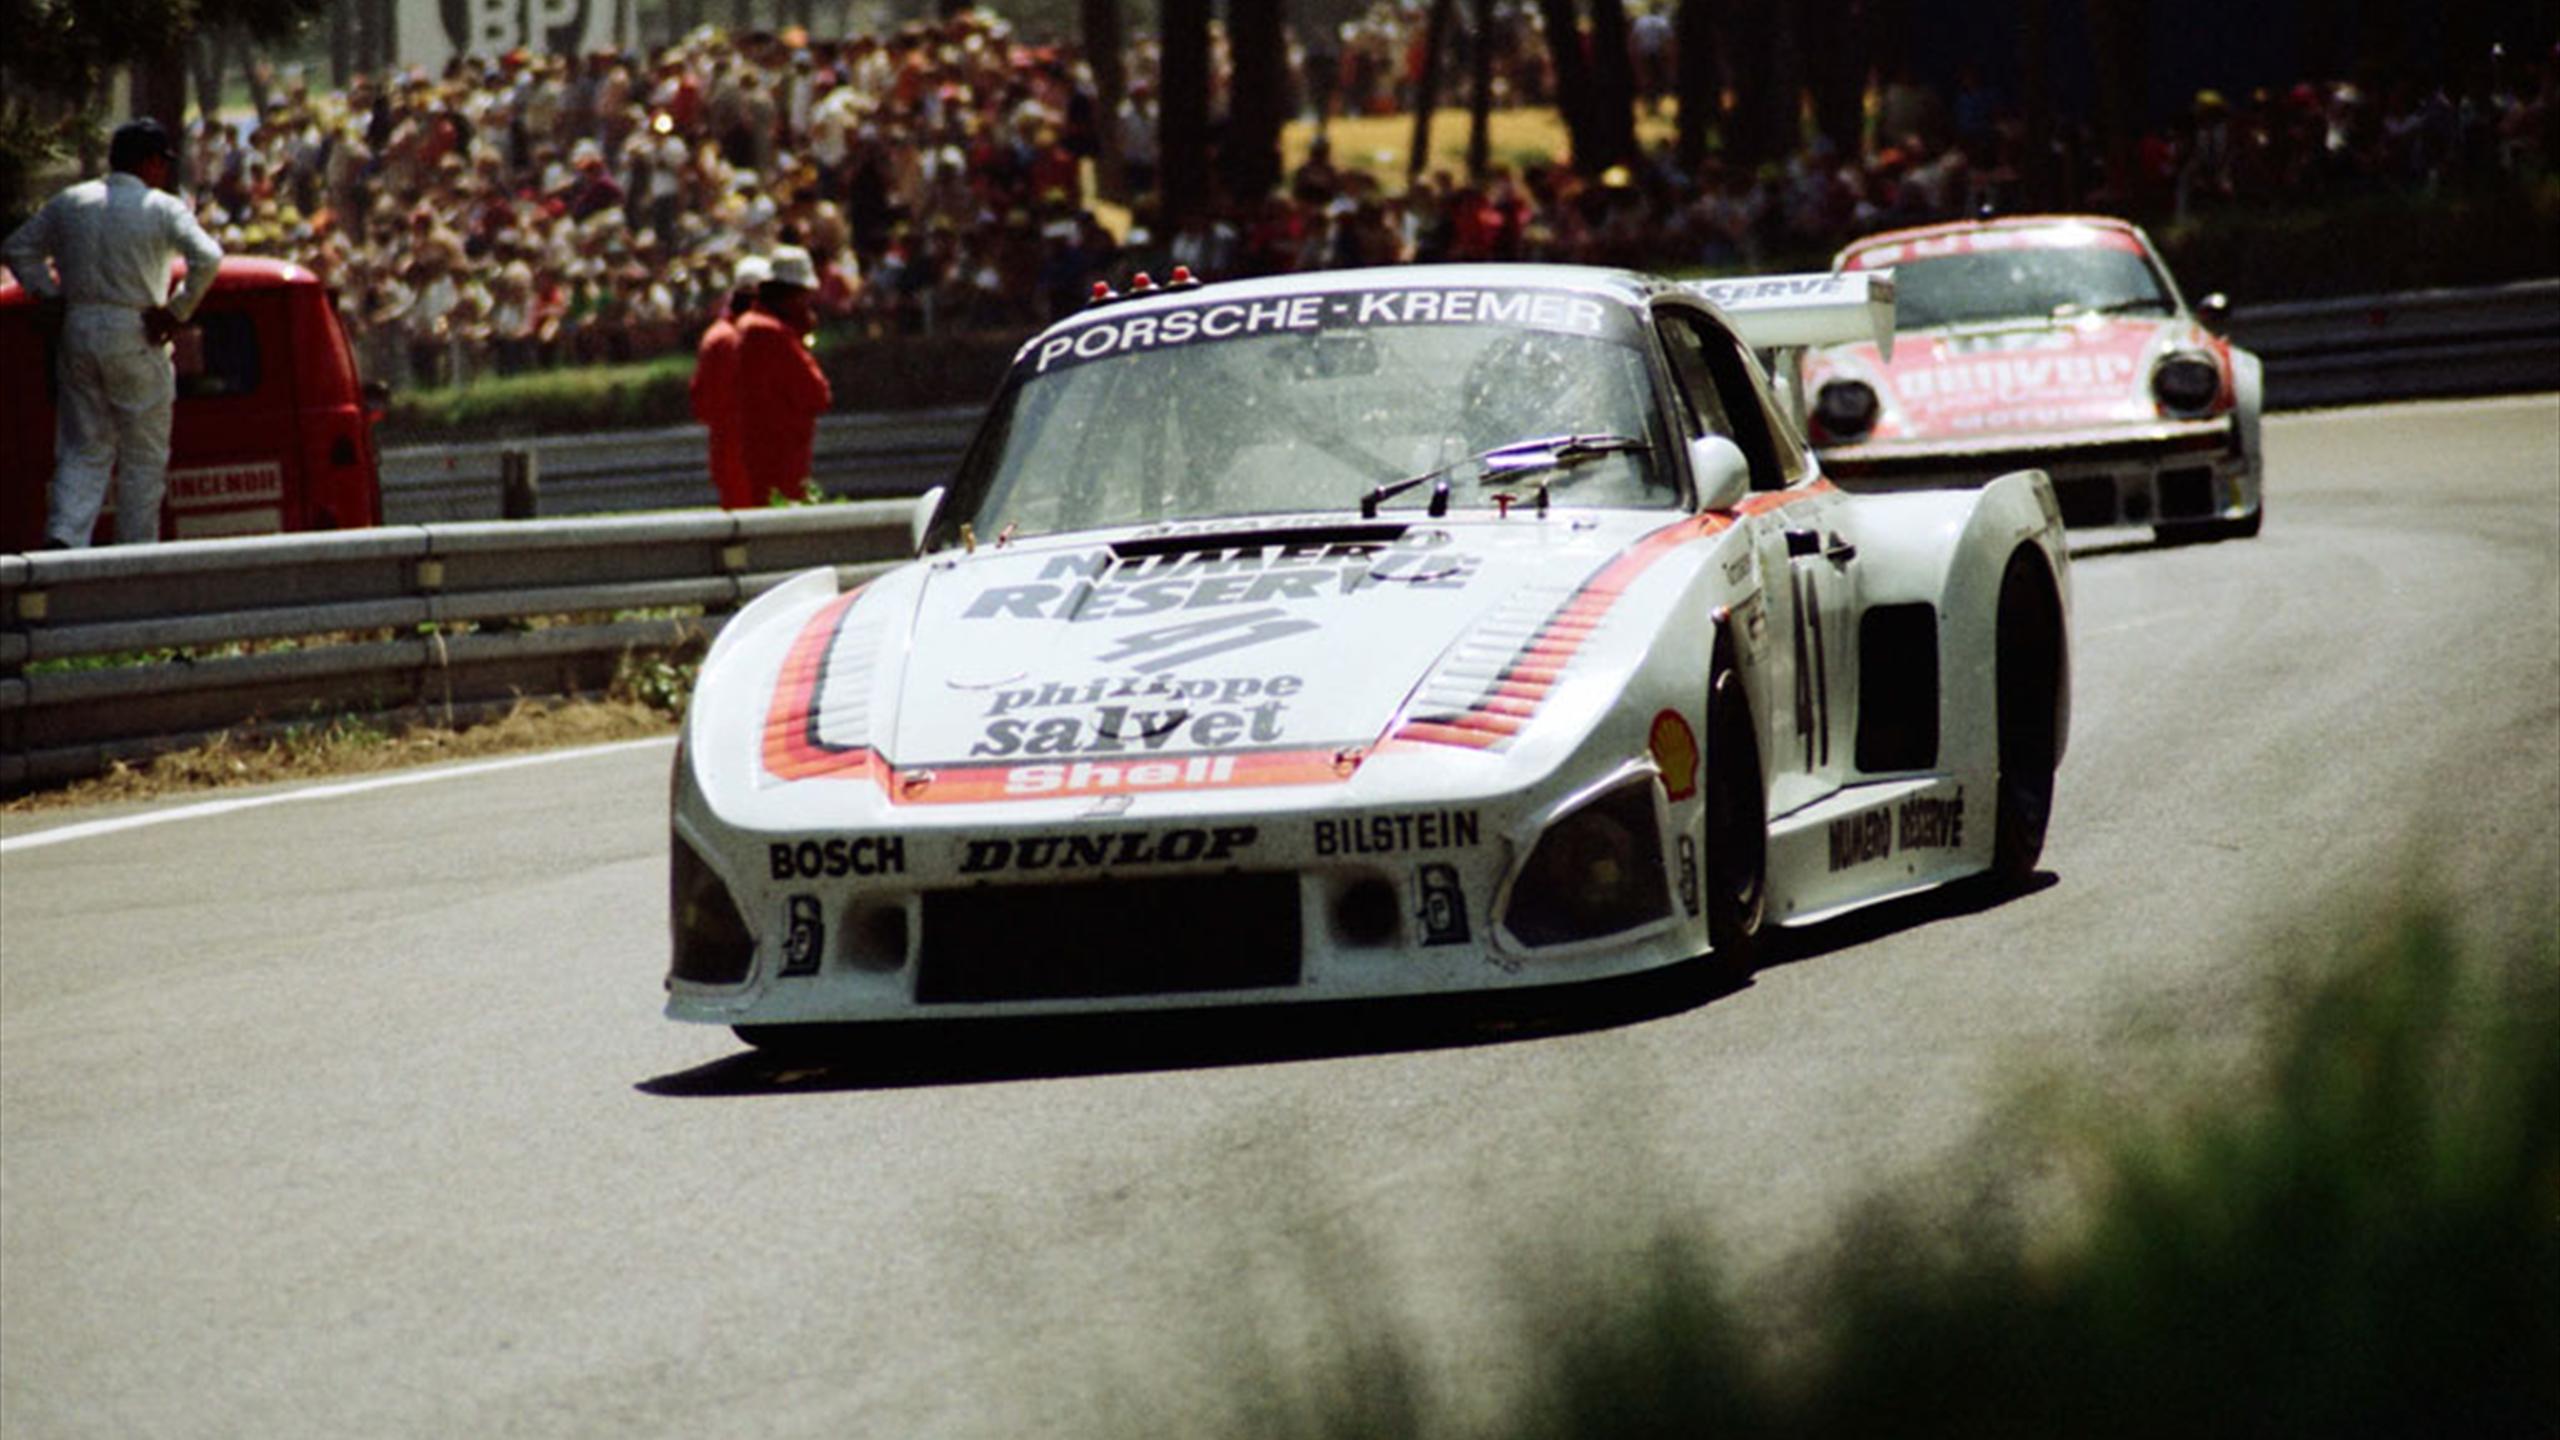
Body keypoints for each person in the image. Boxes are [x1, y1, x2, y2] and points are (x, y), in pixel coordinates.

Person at [4, 117, 225, 548]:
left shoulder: (71, 202)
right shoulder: (160, 207)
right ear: (148, 162)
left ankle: (65, 541)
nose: (163, 170)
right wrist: (177, 311)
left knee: (83, 447)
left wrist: (49, 296)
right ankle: (135, 555)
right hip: (137, 328)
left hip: (78, 327)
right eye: (160, 162)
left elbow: (18, 248)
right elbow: (209, 257)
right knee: (143, 455)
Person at [734, 245, 833, 505]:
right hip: (781, 460)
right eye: (803, 296)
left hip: (762, 454)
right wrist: (800, 338)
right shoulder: (770, 333)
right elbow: (818, 394)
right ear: (789, 294)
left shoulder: (749, 326)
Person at [688, 254, 768, 509]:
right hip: (747, 451)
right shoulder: (740, 338)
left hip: (728, 450)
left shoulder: (716, 335)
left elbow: (700, 403)